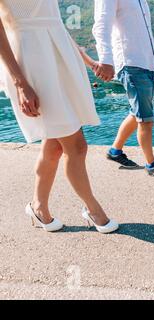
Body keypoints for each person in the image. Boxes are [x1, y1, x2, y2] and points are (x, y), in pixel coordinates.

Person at [0, 0, 118, 234]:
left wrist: (89, 62)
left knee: (54, 144)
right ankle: (94, 210)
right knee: (77, 146)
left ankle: (38, 207)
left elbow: (56, 24)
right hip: (34, 64)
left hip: (61, 59)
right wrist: (20, 82)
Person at [93, 0, 154, 179]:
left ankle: (115, 151)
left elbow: (148, 35)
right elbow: (101, 25)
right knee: (146, 119)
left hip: (147, 65)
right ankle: (151, 165)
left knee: (137, 113)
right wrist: (105, 60)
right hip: (131, 63)